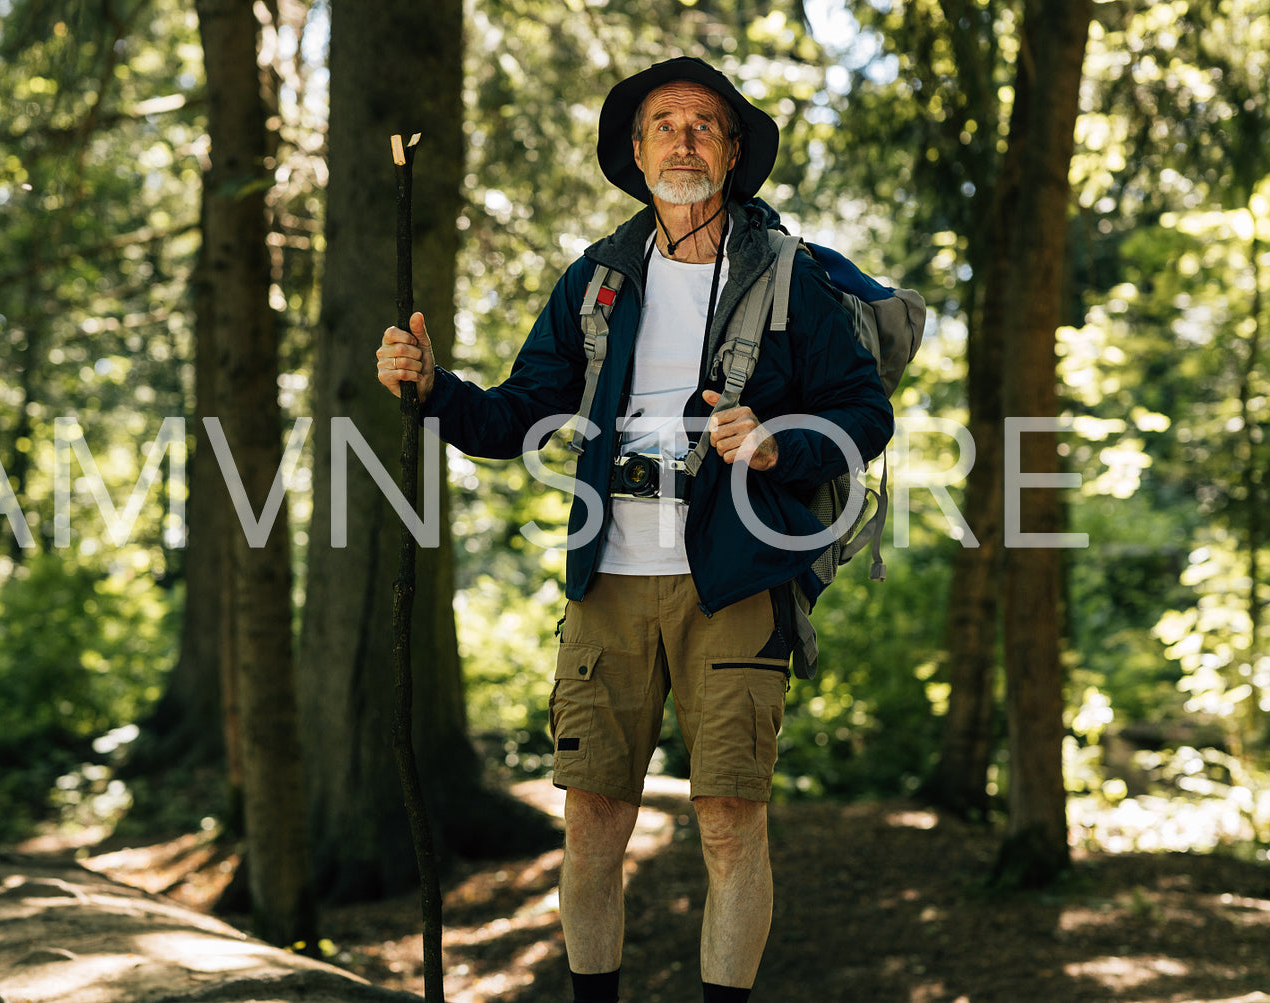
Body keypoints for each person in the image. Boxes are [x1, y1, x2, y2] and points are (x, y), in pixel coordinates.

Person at [376, 56, 893, 1003]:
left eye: (705, 124)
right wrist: (432, 391)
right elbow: (514, 416)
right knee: (592, 826)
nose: (684, 138)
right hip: (605, 578)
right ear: (635, 150)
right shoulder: (598, 279)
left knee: (731, 825)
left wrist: (781, 442)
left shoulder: (788, 279)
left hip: (734, 580)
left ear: (733, 154)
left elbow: (865, 413)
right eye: (664, 123)